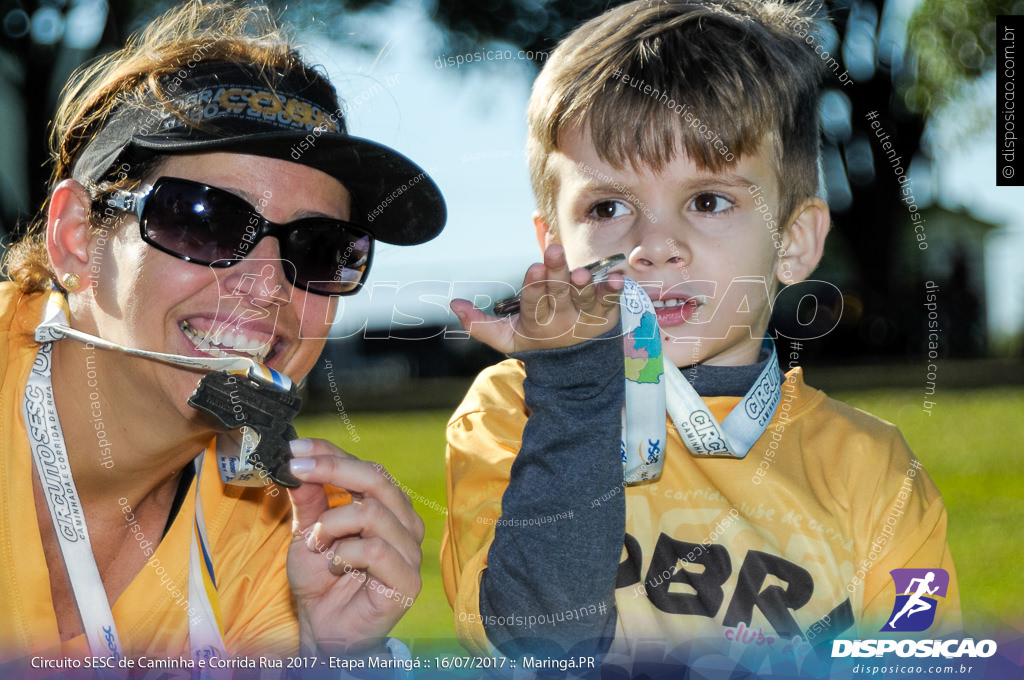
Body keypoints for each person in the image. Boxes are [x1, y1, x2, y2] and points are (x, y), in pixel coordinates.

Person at [441, 0, 959, 672]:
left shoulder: (877, 471)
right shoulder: (512, 413)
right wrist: (571, 391)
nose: (655, 247)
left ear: (794, 242)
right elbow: (537, 641)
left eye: (708, 201)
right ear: (556, 249)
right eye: (608, 207)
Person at [0, 0, 444, 665]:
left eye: (321, 248)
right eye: (202, 220)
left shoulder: (287, 531)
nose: (267, 288)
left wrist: (335, 656)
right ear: (74, 240)